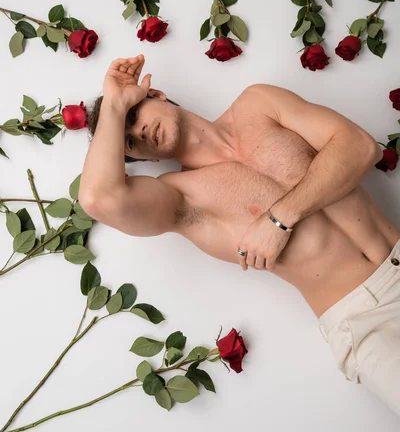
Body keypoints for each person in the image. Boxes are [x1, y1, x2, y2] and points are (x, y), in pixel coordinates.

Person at [79, 55, 400, 417]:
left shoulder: (258, 103)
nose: (137, 132)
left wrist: (279, 218)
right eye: (130, 142)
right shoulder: (182, 199)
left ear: (157, 94)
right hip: (362, 321)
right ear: (147, 161)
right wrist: (115, 106)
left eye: (134, 116)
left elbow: (360, 147)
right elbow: (98, 198)